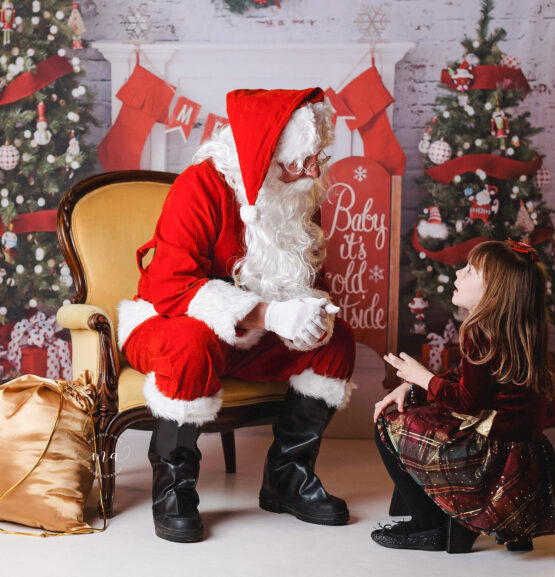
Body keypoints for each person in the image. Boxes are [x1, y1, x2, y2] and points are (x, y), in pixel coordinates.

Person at [117, 87, 356, 543]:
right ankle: (173, 488)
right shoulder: (201, 185)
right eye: (299, 162)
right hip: (164, 322)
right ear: (264, 155)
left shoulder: (295, 190)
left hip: (244, 339)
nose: (312, 173)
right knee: (192, 342)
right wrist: (270, 316)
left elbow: (300, 274)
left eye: (316, 159)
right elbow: (172, 288)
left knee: (336, 338)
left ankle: (288, 478)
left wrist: (309, 311)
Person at [372, 239, 555, 553]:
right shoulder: (520, 330)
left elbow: (467, 400)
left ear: (493, 291)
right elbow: (467, 380)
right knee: (414, 403)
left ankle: (426, 526)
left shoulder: (481, 332)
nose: (457, 273)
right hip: (525, 452)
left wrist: (422, 378)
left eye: (470, 271)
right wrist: (416, 385)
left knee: (387, 422)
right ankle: (428, 509)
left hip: (490, 457)